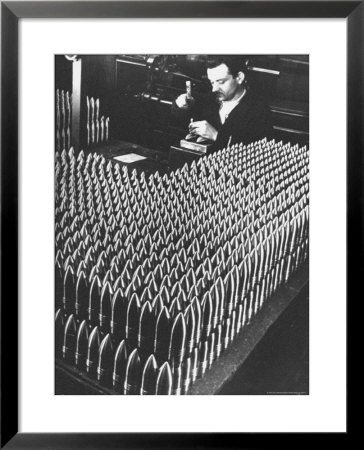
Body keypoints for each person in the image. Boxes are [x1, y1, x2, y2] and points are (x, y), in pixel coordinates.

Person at [173, 56, 273, 152]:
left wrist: (216, 136)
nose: (214, 89)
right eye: (212, 82)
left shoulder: (259, 111)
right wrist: (181, 104)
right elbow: (179, 116)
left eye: (221, 82)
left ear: (239, 77)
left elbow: (255, 156)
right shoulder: (209, 99)